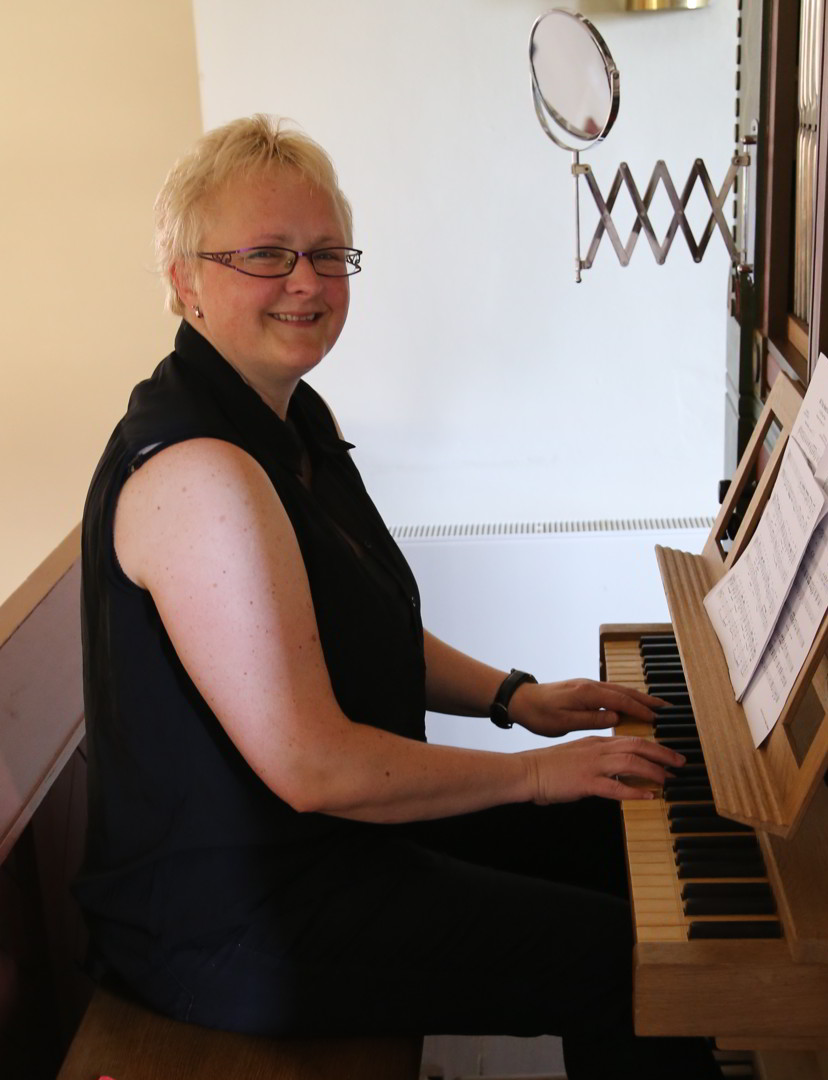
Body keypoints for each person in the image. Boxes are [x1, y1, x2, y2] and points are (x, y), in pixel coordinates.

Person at [76, 114, 722, 1079]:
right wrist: (534, 773)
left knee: (621, 831)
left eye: (328, 254)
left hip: (321, 848)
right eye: (266, 254)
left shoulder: (287, 421)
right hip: (238, 915)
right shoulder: (200, 472)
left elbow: (363, 626)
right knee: (618, 959)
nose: (306, 281)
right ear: (185, 280)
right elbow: (314, 771)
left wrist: (517, 700)